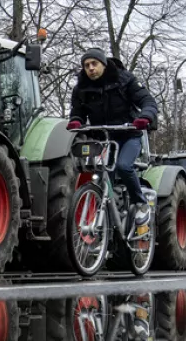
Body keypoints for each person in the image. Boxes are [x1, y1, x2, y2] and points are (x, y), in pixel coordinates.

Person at [66, 48, 159, 228]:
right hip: (103, 138)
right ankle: (107, 221)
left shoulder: (125, 80)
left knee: (123, 166)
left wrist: (145, 117)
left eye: (94, 64)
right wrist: (76, 121)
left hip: (128, 134)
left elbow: (148, 101)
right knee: (100, 174)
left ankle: (140, 204)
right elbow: (77, 111)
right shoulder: (81, 88)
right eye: (86, 65)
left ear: (104, 64)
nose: (90, 68)